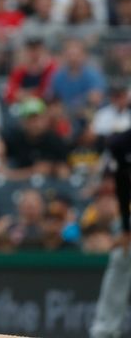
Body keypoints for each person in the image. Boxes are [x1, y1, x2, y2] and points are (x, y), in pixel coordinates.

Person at [90, 127, 131, 338]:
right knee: (121, 258)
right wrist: (126, 228)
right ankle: (104, 330)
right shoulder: (120, 144)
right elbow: (123, 185)